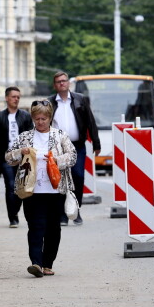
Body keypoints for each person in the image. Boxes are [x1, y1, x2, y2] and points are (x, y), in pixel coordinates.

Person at [5, 100, 76, 278]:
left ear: (50, 118)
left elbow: (73, 156)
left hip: (55, 190)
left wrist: (55, 159)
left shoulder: (60, 136)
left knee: (53, 228)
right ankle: (35, 263)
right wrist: (20, 152)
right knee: (35, 226)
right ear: (32, 118)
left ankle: (47, 263)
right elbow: (8, 158)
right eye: (37, 119)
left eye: (43, 118)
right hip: (32, 190)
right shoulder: (25, 137)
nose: (40, 122)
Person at [48, 71, 100, 226]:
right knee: (60, 180)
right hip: (57, 147)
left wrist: (96, 144)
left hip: (77, 145)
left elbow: (90, 122)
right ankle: (62, 215)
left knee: (78, 176)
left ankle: (75, 211)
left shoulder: (80, 100)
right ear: (55, 85)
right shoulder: (49, 103)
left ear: (68, 83)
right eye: (58, 81)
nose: (62, 83)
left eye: (64, 80)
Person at [0, 86, 34, 228]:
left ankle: (15, 209)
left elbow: (32, 137)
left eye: (18, 97)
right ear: (7, 98)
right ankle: (13, 218)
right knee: (10, 186)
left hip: (23, 158)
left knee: (21, 187)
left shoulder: (25, 116)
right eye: (13, 96)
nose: (16, 99)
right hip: (6, 158)